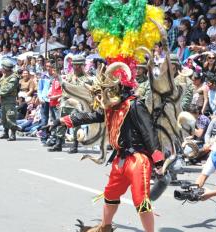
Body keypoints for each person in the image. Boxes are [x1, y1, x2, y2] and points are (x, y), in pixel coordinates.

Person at [54, 63, 165, 232]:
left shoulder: (134, 105)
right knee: (110, 195)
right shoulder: (111, 107)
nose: (105, 93)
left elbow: (149, 133)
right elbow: (91, 115)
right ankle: (105, 227)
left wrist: (158, 161)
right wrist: (63, 121)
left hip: (138, 160)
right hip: (120, 159)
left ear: (120, 87)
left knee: (141, 201)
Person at [49, 55, 92, 153]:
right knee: (61, 123)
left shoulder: (87, 79)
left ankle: (75, 145)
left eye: (77, 65)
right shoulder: (69, 76)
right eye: (74, 65)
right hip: (66, 103)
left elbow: (80, 91)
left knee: (76, 124)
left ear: (82, 66)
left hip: (77, 104)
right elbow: (65, 89)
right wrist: (61, 99)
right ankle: (58, 143)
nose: (75, 67)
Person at [0, 59, 20, 141]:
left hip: (10, 100)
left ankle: (13, 134)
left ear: (6, 69)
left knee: (10, 116)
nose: (1, 69)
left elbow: (8, 89)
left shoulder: (13, 78)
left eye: (2, 68)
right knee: (3, 118)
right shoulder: (4, 76)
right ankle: (5, 133)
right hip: (3, 100)